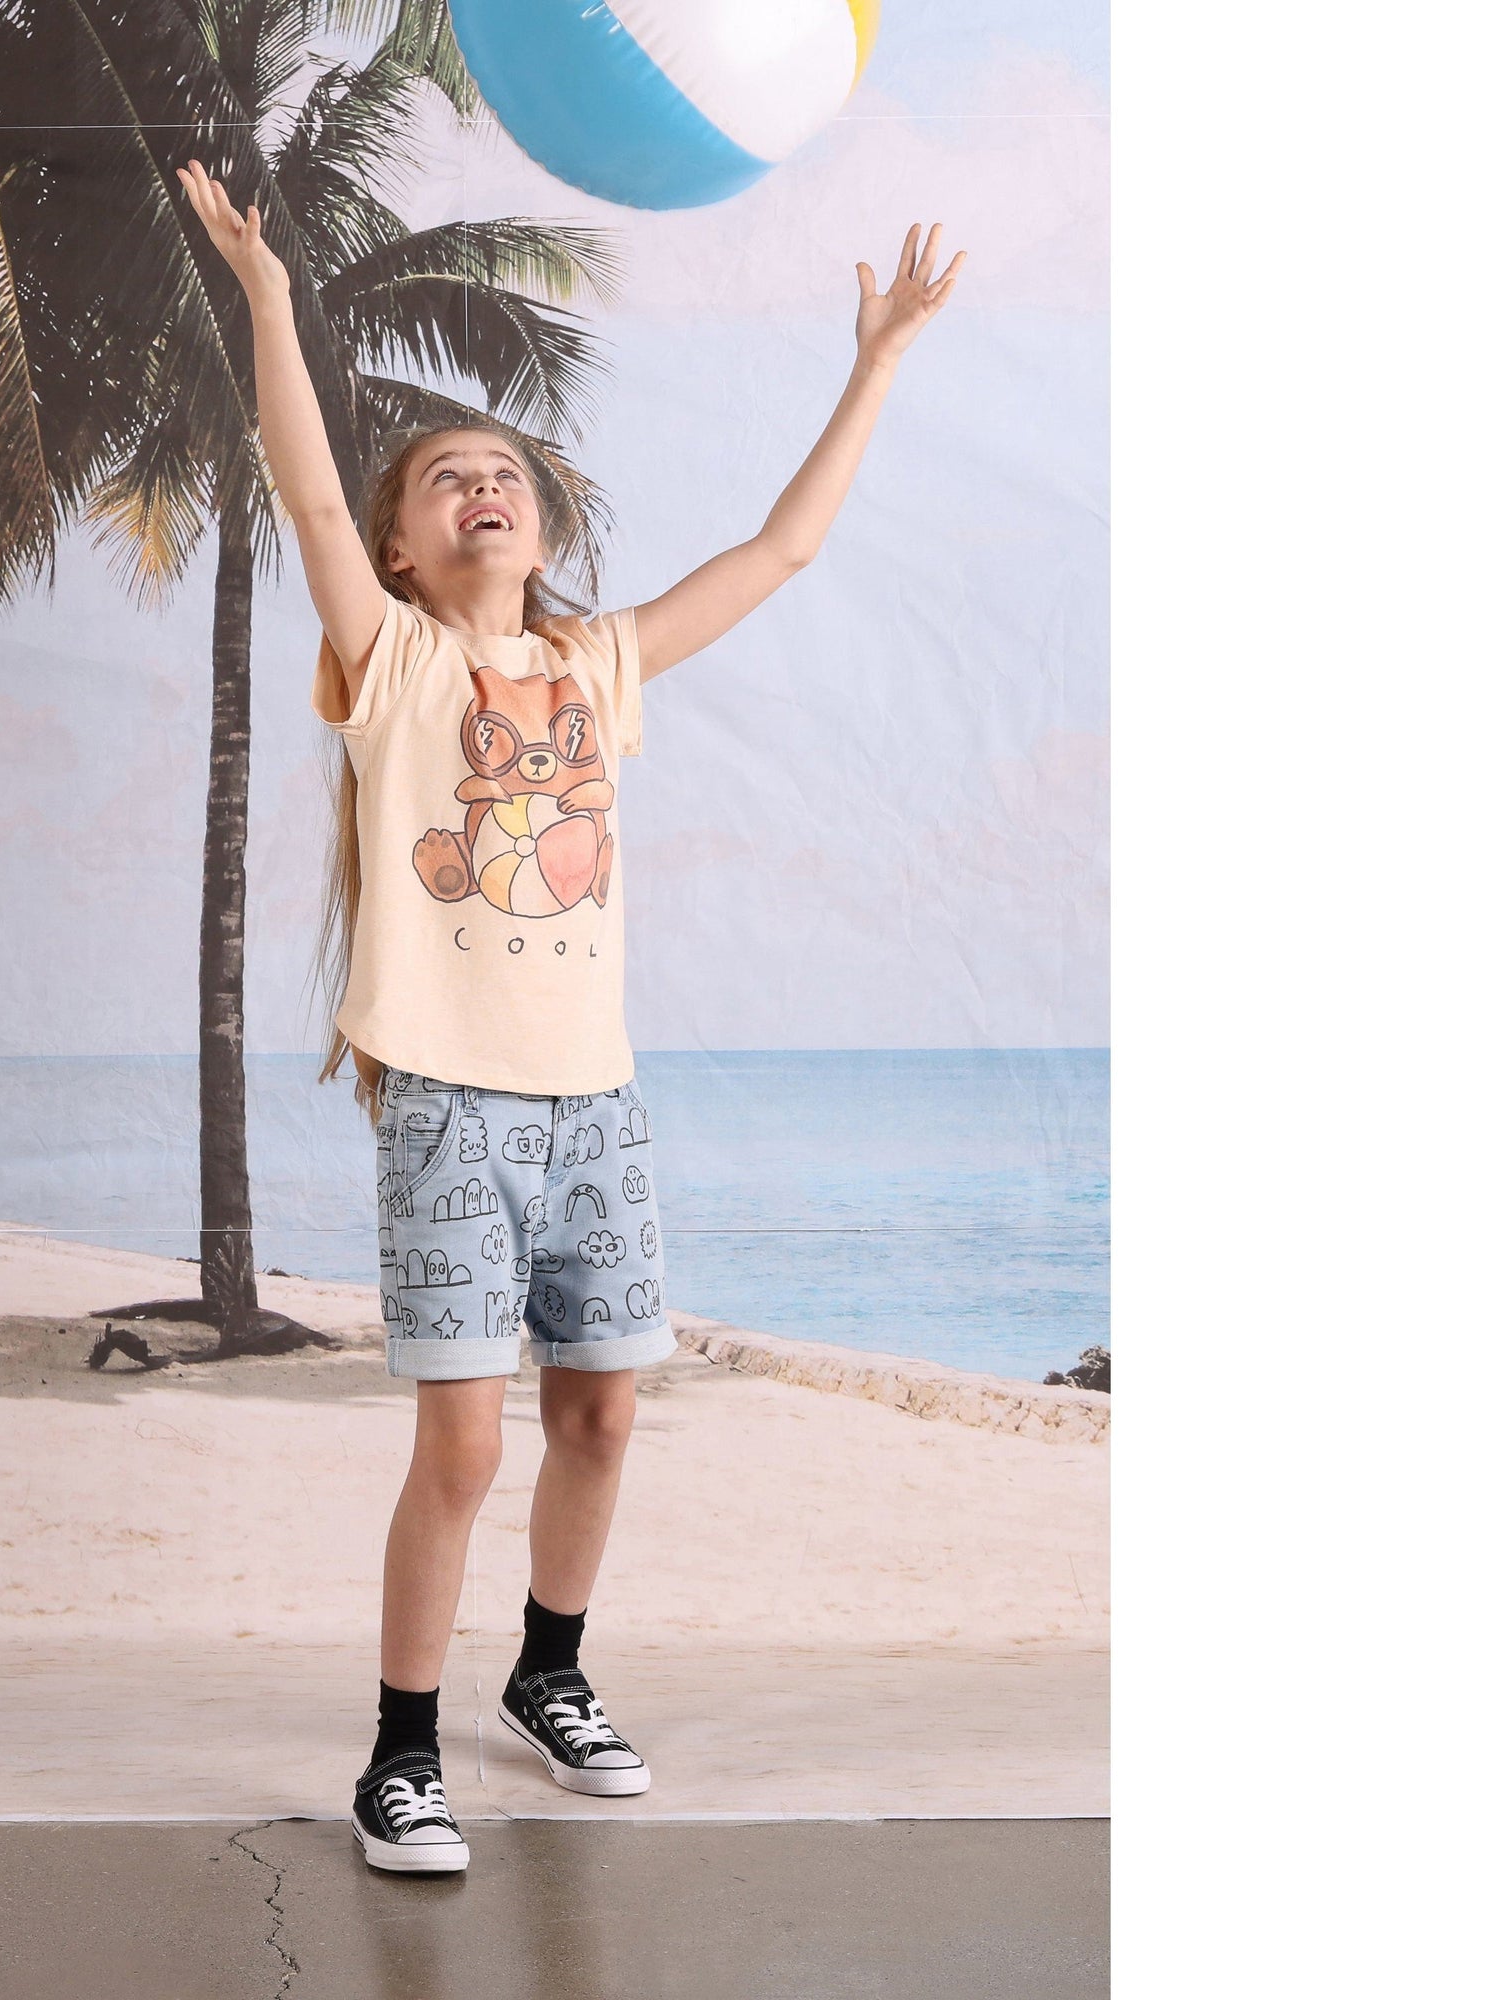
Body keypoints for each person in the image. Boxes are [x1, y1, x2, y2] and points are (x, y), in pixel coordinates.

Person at [177, 159, 963, 1874]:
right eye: (446, 478)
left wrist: (879, 360)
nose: (485, 487)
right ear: (404, 545)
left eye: (509, 476)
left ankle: (549, 1676)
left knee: (602, 1414)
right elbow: (305, 496)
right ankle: (400, 1757)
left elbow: (784, 547)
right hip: (451, 1113)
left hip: (595, 1105)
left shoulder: (599, 665)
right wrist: (269, 301)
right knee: (463, 1446)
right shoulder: (393, 662)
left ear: (546, 532)